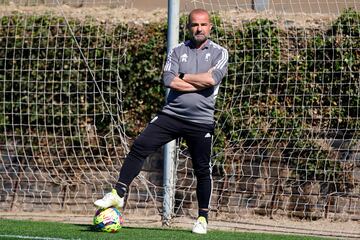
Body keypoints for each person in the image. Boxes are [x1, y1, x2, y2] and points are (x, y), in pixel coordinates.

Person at [94, 8, 228, 234]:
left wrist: (183, 77)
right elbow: (169, 80)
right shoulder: (177, 50)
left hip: (201, 120)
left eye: (203, 25)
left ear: (210, 27)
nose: (199, 28)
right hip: (171, 115)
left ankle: (202, 218)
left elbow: (211, 79)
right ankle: (118, 194)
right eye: (195, 24)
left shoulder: (220, 52)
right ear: (188, 27)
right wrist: (195, 82)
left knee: (202, 169)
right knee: (139, 146)